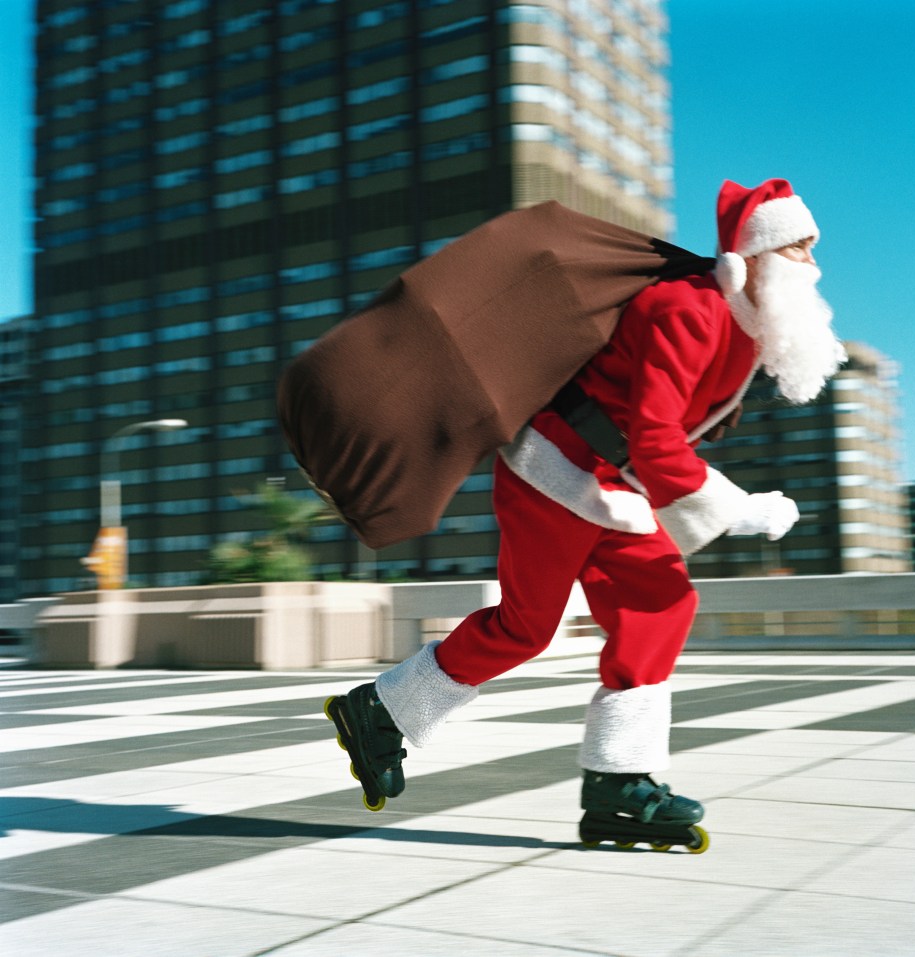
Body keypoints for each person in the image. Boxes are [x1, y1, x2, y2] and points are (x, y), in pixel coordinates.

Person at [324, 178, 847, 844]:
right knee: (526, 627)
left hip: (613, 485)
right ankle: (379, 711)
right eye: (800, 250)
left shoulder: (743, 329)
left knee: (661, 603)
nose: (814, 266)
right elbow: (657, 440)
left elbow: (655, 441)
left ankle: (618, 784)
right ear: (758, 257)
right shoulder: (689, 309)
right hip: (556, 469)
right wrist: (736, 506)